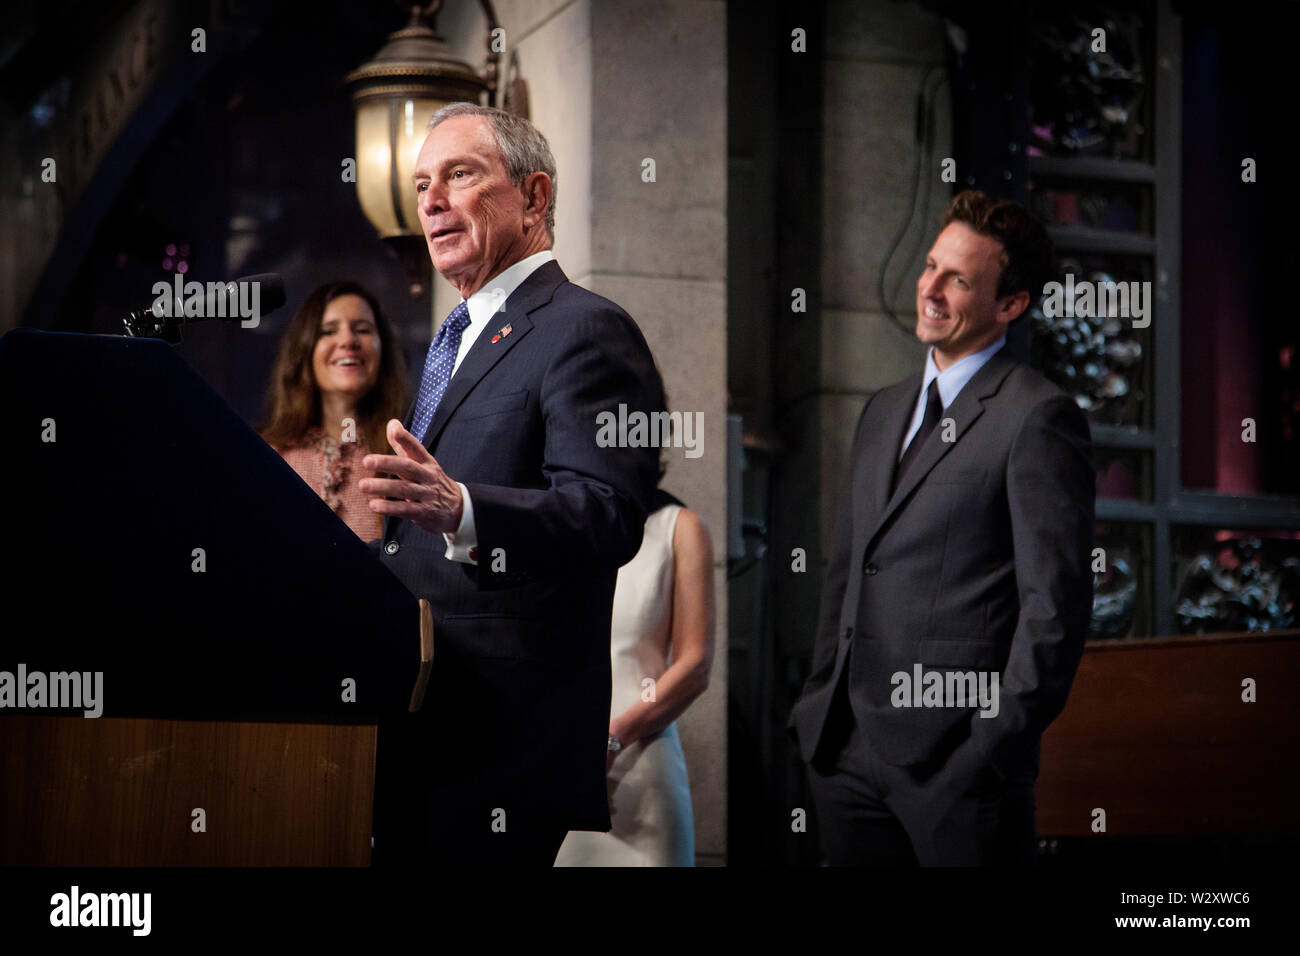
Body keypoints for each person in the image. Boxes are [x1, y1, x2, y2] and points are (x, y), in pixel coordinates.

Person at [359, 103, 663, 866]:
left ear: (533, 196)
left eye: (460, 175)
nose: (430, 201)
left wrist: (461, 508)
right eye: (423, 182)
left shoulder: (586, 329)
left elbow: (608, 514)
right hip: (415, 717)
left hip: (496, 736)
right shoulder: (453, 338)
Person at [788, 190, 1096, 866]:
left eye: (958, 278)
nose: (929, 288)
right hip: (842, 757)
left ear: (1010, 305)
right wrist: (819, 709)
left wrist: (987, 752)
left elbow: (1056, 611)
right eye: (931, 266)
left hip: (957, 774)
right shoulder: (882, 411)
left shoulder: (1039, 418)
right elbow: (849, 570)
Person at [553, 470, 716, 867]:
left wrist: (612, 738)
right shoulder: (554, 521)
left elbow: (695, 664)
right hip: (558, 766)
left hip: (639, 769)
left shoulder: (679, 526)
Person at [261, 280, 408, 541]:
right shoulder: (268, 456)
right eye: (328, 331)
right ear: (304, 350)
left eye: (362, 330)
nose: (348, 341)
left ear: (383, 351)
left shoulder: (407, 456)